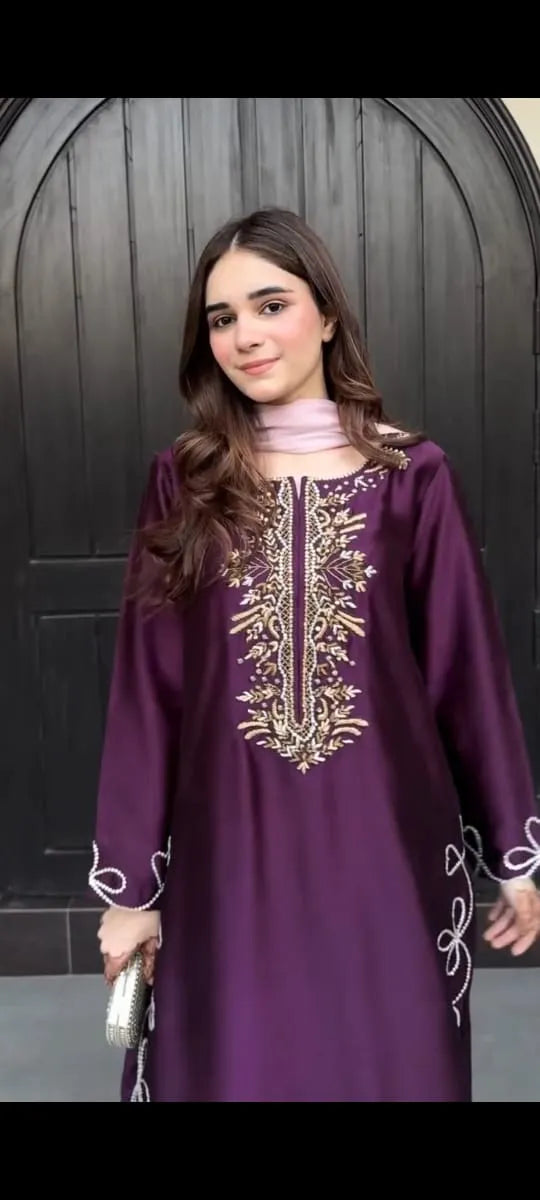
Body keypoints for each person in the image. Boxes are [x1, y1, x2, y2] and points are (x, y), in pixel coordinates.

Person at [91, 206, 540, 1103]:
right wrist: (131, 885)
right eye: (222, 319)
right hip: (228, 852)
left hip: (386, 847)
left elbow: (464, 670)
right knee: (236, 1063)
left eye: (270, 305)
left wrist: (516, 852)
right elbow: (149, 687)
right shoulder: (184, 479)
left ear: (327, 313)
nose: (246, 337)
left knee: (386, 1061)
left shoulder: (414, 476)